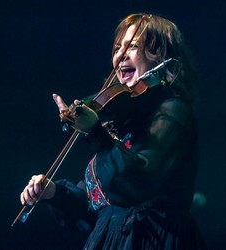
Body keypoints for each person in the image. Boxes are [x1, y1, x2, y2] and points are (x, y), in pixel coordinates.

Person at [20, 13, 205, 249]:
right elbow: (100, 205)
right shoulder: (123, 121)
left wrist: (97, 133)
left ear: (160, 56)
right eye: (117, 47)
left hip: (154, 240)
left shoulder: (173, 111)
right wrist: (53, 192)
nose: (120, 55)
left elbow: (137, 183)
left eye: (133, 46)